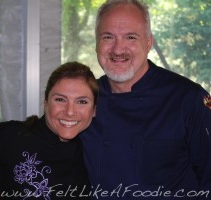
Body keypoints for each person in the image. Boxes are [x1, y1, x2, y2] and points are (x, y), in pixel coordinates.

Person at [80, 0, 211, 199]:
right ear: (97, 43)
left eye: (130, 37)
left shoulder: (189, 98)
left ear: (148, 42)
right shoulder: (83, 100)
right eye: (108, 37)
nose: (117, 49)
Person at [0, 61, 98, 199]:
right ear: (46, 103)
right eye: (60, 99)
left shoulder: (94, 153)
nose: (70, 112)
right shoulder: (8, 136)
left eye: (82, 102)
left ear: (94, 110)